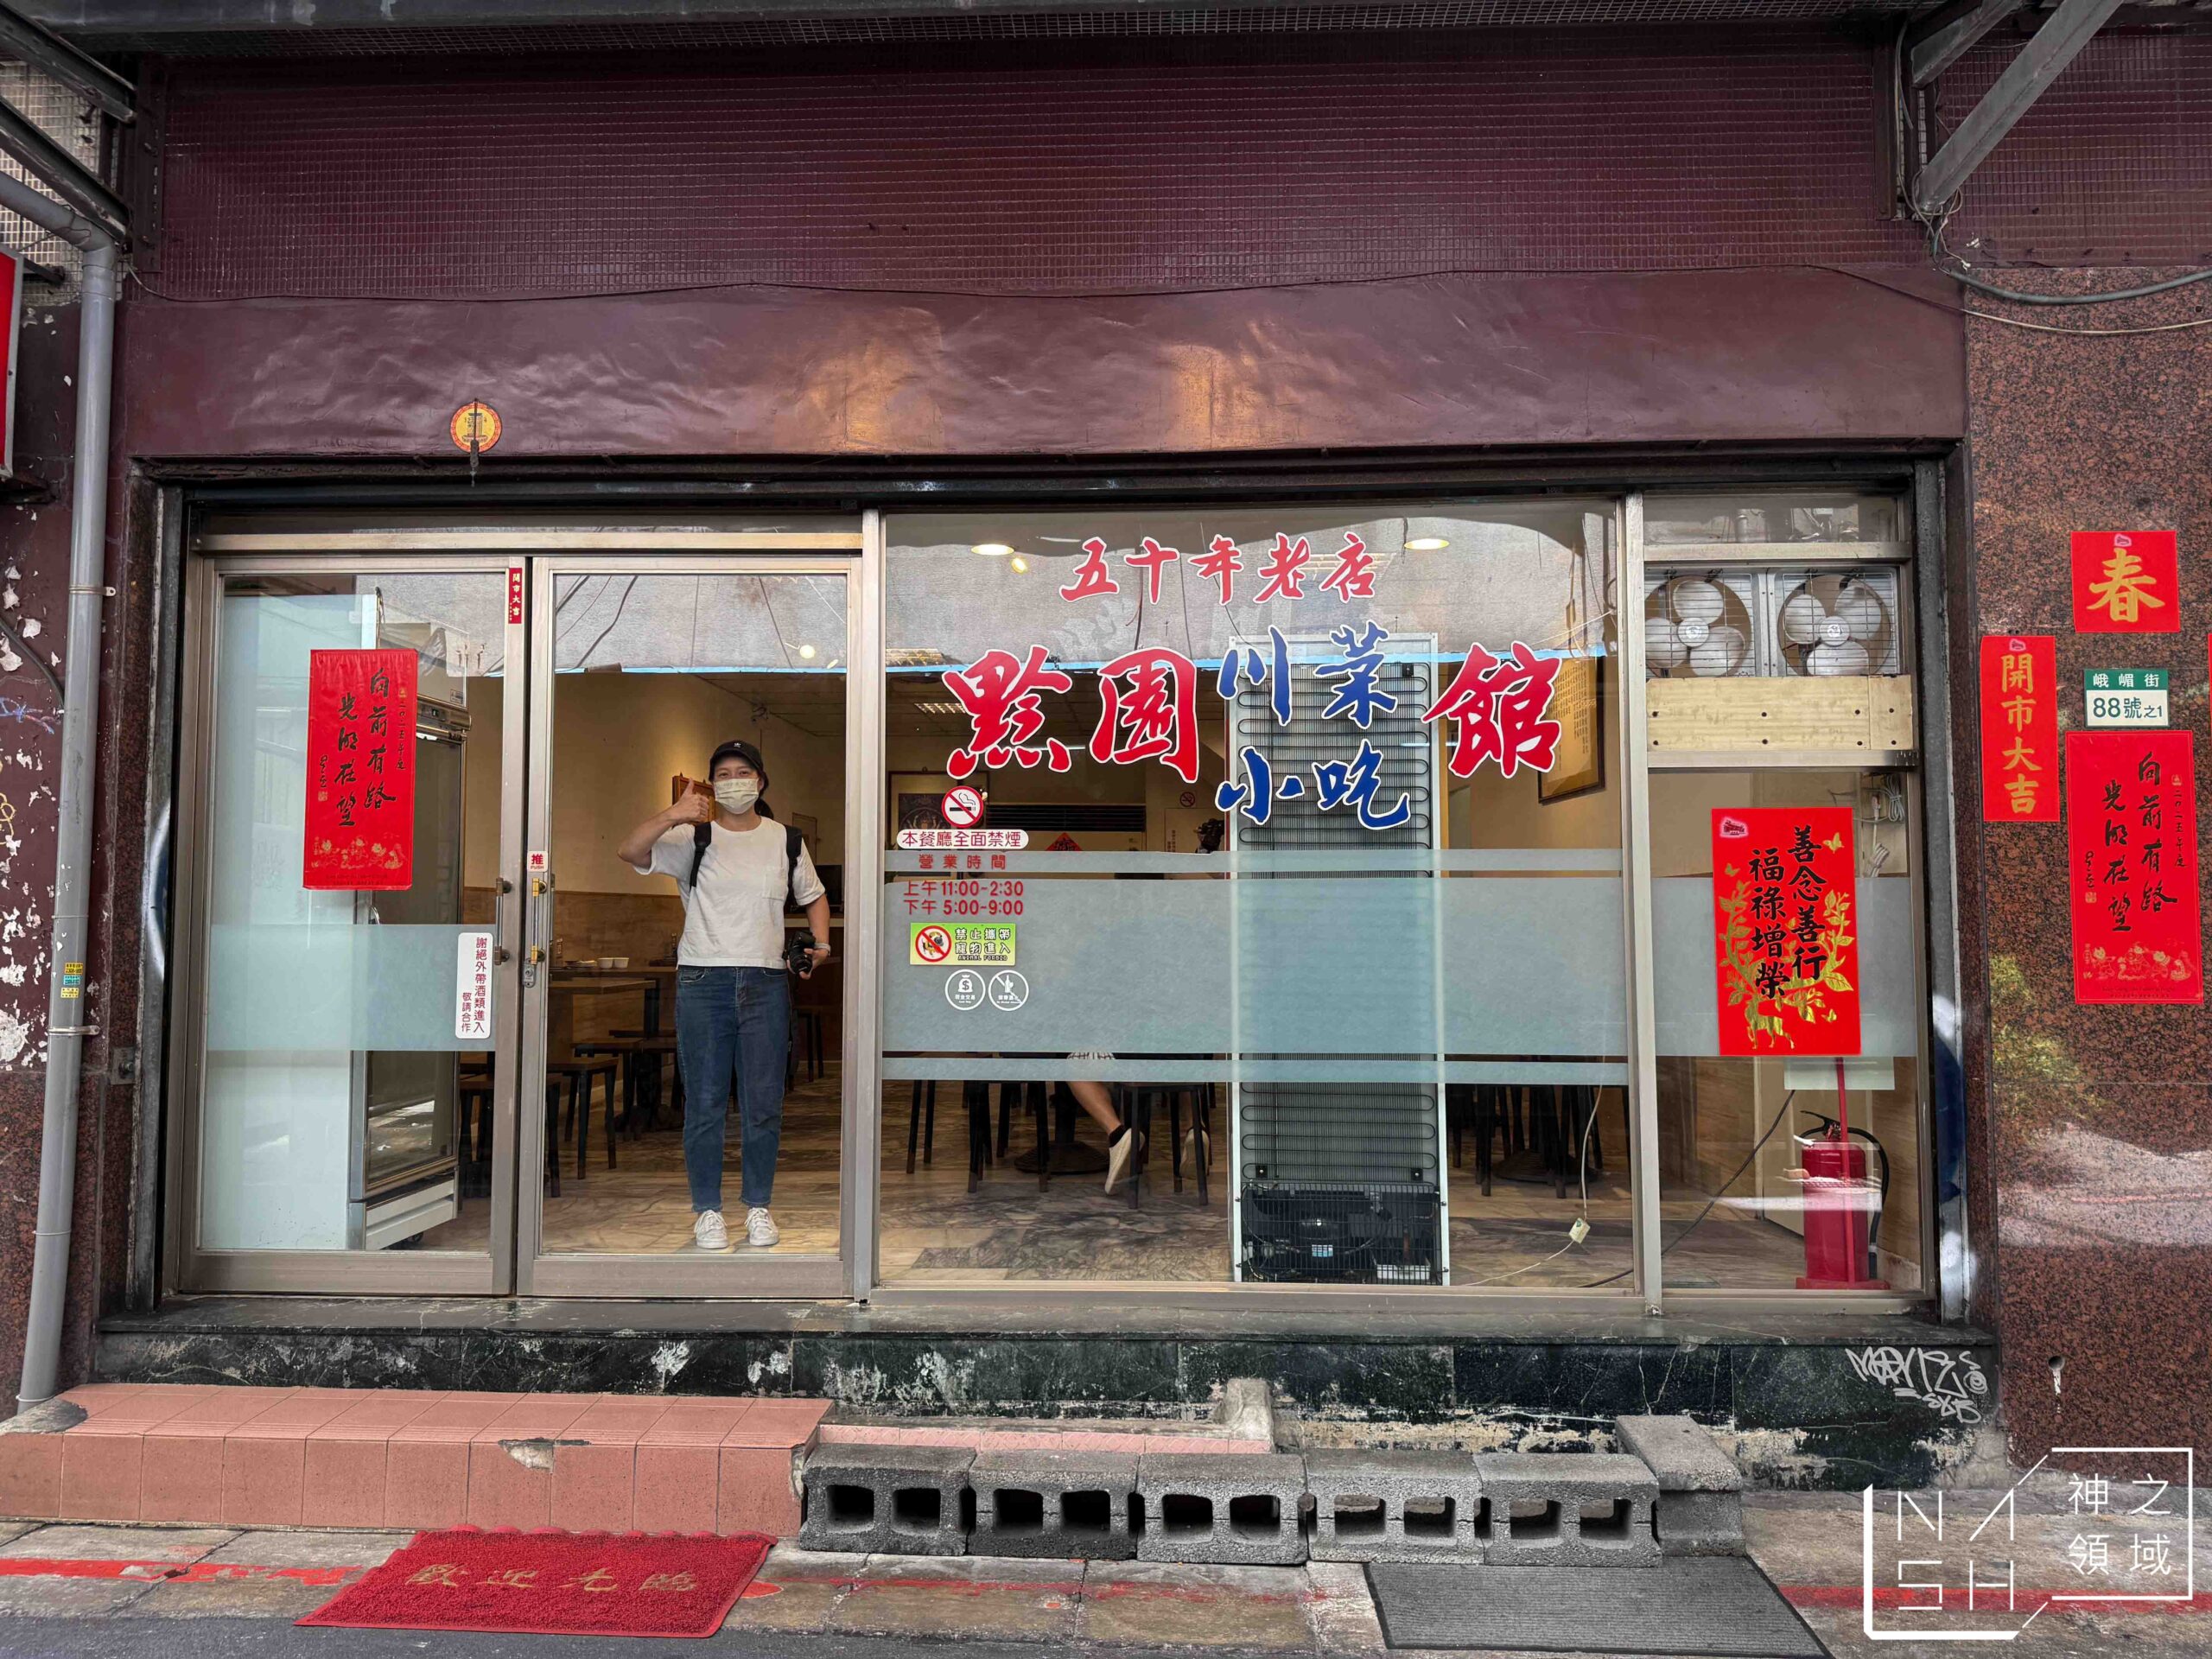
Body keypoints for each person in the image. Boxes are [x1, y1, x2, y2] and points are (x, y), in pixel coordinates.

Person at [618, 740, 830, 1252]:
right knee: (706, 1102)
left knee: (763, 1102)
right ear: (714, 785)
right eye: (724, 774)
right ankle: (708, 1211)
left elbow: (814, 894)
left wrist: (821, 944)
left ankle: (758, 1206)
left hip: (764, 982)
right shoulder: (694, 837)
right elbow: (629, 850)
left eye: (744, 771)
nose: (735, 780)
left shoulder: (786, 839)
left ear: (760, 780)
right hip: (703, 981)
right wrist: (673, 812)